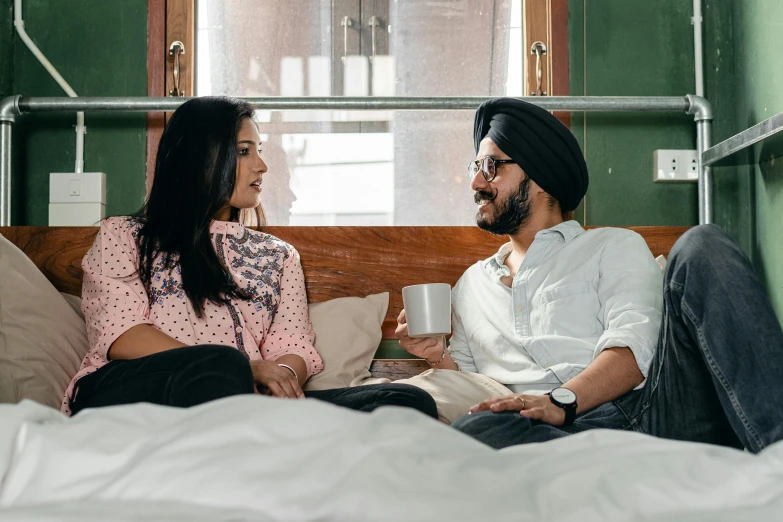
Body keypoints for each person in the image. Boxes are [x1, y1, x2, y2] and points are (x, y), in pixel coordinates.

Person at [396, 97, 783, 453]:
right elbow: (472, 386)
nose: (476, 182)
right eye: (475, 167)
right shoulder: (470, 287)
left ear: (541, 176)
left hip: (650, 411)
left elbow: (636, 349)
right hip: (548, 436)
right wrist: (437, 355)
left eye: (491, 166)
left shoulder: (612, 247)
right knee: (474, 431)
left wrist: (560, 401)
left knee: (702, 244)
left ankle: (777, 450)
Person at [62, 96, 437, 420]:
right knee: (220, 365)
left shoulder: (278, 257)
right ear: (199, 157)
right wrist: (244, 369)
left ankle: (260, 435)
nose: (262, 165)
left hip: (247, 401)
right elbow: (121, 335)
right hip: (132, 393)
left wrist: (276, 379)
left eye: (259, 150)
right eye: (244, 151)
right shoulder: (125, 235)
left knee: (403, 400)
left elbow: (292, 346)